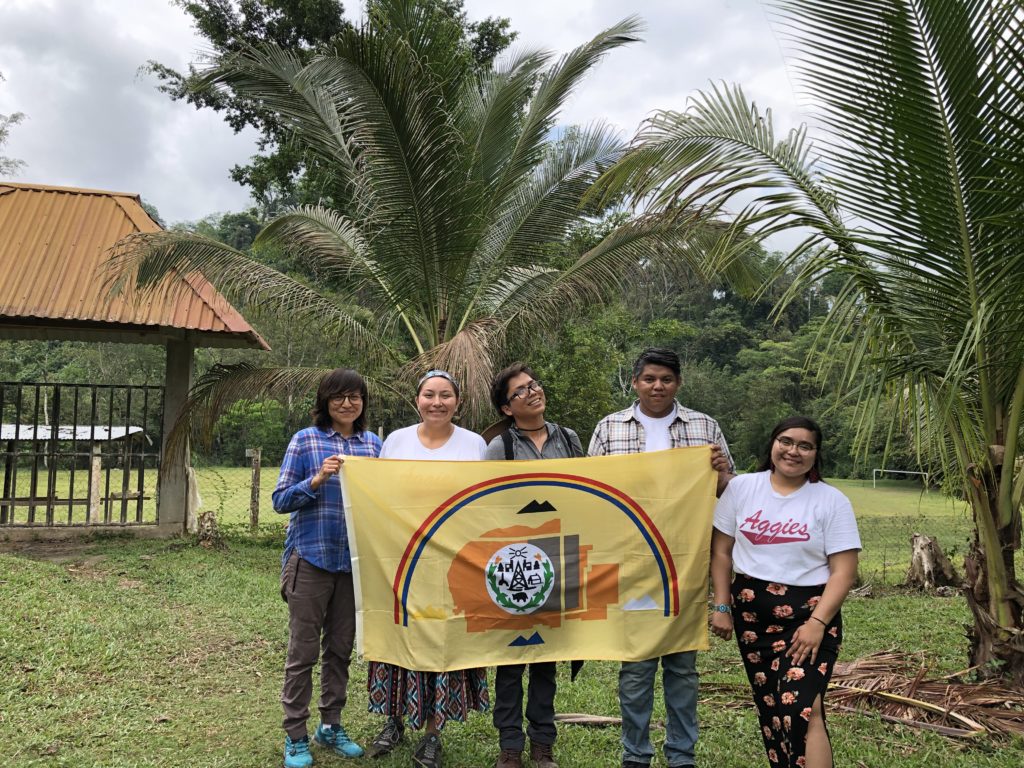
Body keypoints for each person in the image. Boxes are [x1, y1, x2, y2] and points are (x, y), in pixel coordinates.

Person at [588, 347, 735, 768]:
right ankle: (635, 755)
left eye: (666, 379)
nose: (658, 386)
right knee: (635, 668)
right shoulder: (610, 427)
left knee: (682, 667)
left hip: (686, 564)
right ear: (635, 382)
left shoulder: (704, 427)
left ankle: (681, 756)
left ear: (678, 384)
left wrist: (722, 472)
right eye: (649, 378)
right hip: (631, 564)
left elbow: (730, 490)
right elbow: (593, 492)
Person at [710, 416, 860, 768]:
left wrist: (818, 623)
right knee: (772, 708)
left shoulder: (831, 500)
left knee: (804, 707)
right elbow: (720, 552)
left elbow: (844, 571)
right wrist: (721, 605)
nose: (794, 451)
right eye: (786, 441)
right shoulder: (742, 488)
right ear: (772, 444)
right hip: (751, 617)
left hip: (808, 618)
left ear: (816, 454)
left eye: (805, 445)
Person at [367, 370, 489, 768]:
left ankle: (433, 732)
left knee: (441, 641)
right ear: (416, 400)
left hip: (454, 562)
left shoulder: (474, 445)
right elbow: (379, 495)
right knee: (398, 635)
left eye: (446, 396)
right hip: (401, 560)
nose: (437, 402)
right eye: (429, 395)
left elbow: (484, 503)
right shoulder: (396, 441)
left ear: (458, 401)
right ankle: (394, 719)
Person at [272, 368, 382, 768]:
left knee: (339, 650)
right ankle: (295, 735)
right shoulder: (305, 440)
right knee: (302, 653)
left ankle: (330, 725)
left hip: (353, 566)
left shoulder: (373, 446)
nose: (347, 403)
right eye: (338, 397)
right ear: (325, 402)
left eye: (355, 396)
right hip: (311, 560)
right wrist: (316, 480)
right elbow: (280, 500)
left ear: (363, 403)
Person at [484, 363, 584, 768]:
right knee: (509, 659)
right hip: (513, 562)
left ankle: (543, 743)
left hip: (560, 556)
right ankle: (510, 745)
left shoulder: (571, 438)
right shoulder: (500, 446)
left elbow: (587, 494)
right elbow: (485, 506)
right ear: (508, 408)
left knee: (546, 657)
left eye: (534, 385)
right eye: (521, 391)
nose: (533, 393)